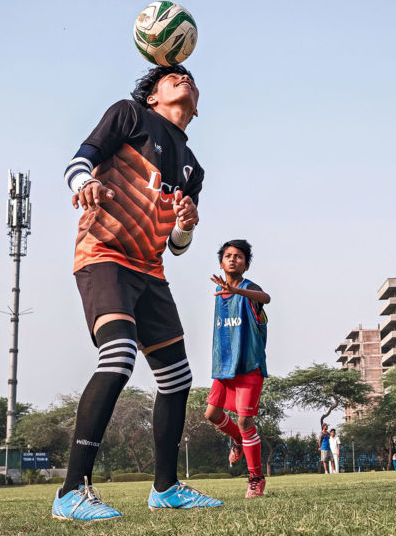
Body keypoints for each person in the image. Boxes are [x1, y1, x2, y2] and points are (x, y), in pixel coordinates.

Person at [52, 64, 222, 522]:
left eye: (189, 77)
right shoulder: (128, 115)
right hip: (104, 255)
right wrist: (85, 183)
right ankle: (71, 492)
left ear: (197, 108)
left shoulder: (193, 167)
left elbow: (178, 247)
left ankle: (165, 488)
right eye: (172, 77)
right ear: (152, 98)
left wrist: (186, 224)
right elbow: (79, 160)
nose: (183, 79)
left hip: (151, 269)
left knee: (178, 379)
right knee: (118, 358)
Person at [203, 239, 271, 499]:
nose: (233, 259)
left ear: (246, 264)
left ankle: (256, 479)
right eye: (228, 256)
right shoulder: (220, 293)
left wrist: (239, 292)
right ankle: (238, 440)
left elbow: (266, 298)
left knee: (245, 420)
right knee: (211, 414)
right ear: (221, 263)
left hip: (248, 365)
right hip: (224, 366)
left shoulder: (249, 290)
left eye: (239, 256)